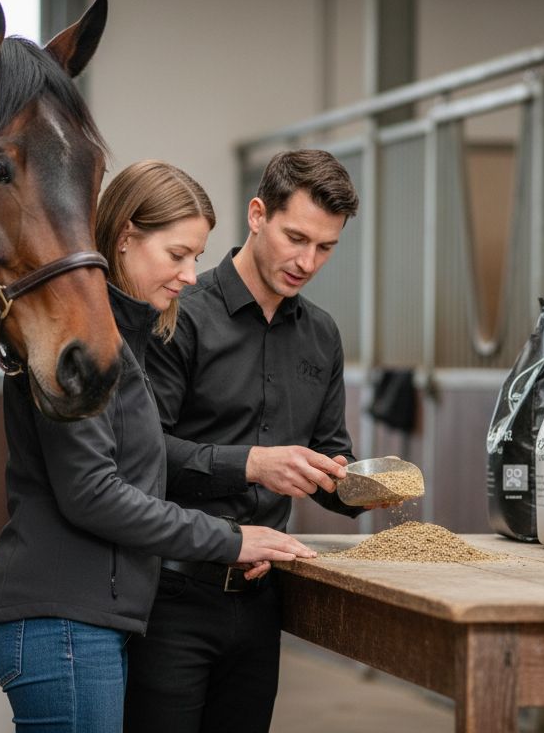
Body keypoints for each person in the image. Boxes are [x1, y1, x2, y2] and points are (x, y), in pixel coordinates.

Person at [0, 159, 317, 733]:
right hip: (61, 619)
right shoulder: (77, 342)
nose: (189, 275)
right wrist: (229, 539)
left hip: (89, 619)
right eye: (177, 254)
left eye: (197, 258)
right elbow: (92, 493)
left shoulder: (124, 342)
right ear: (127, 237)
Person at [124, 149, 369, 733]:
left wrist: (364, 486)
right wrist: (252, 465)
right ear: (258, 214)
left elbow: (332, 459)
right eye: (296, 237)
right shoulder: (178, 312)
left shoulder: (322, 335)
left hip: (262, 601)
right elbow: (142, 457)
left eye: (326, 247)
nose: (307, 261)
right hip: (171, 595)